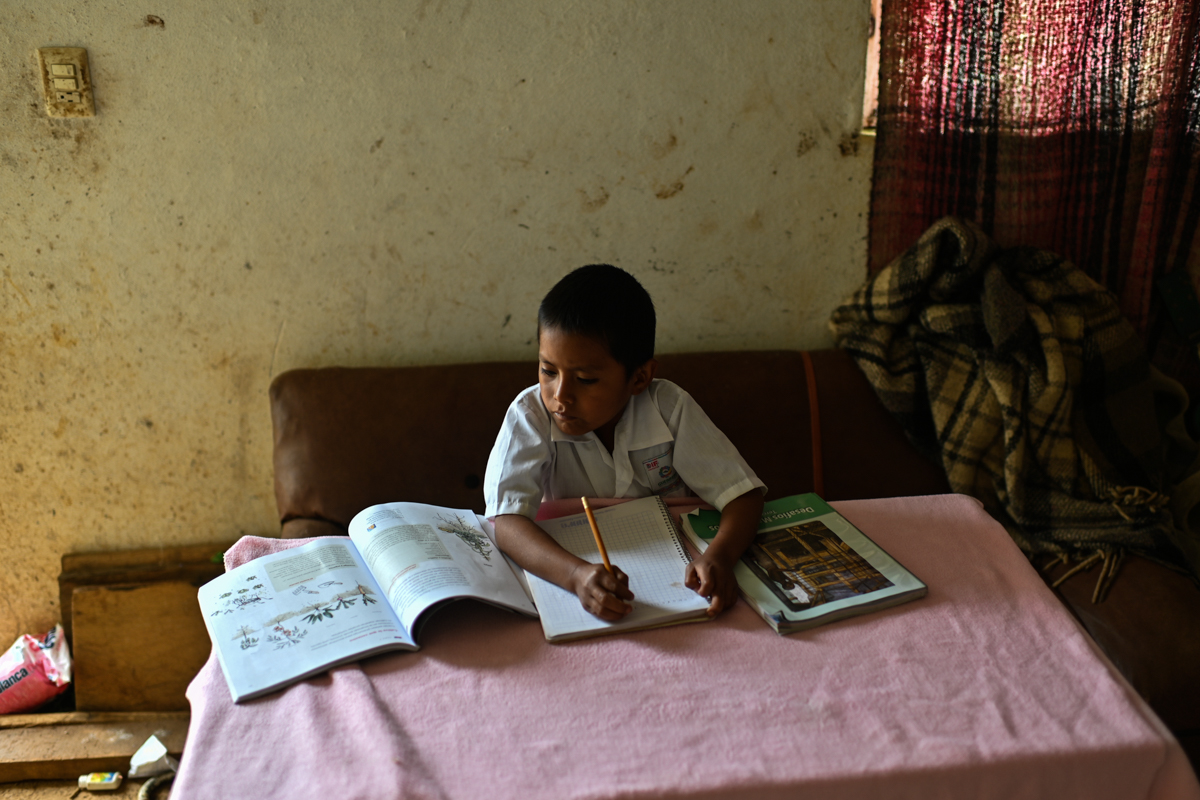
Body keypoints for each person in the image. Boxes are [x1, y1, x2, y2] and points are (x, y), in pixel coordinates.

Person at [484, 264, 765, 621]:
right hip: (572, 566)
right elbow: (507, 523)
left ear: (640, 377)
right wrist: (575, 576)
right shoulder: (530, 415)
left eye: (585, 379)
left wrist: (720, 557)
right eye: (548, 371)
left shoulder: (669, 408)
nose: (560, 396)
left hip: (680, 581)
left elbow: (743, 494)